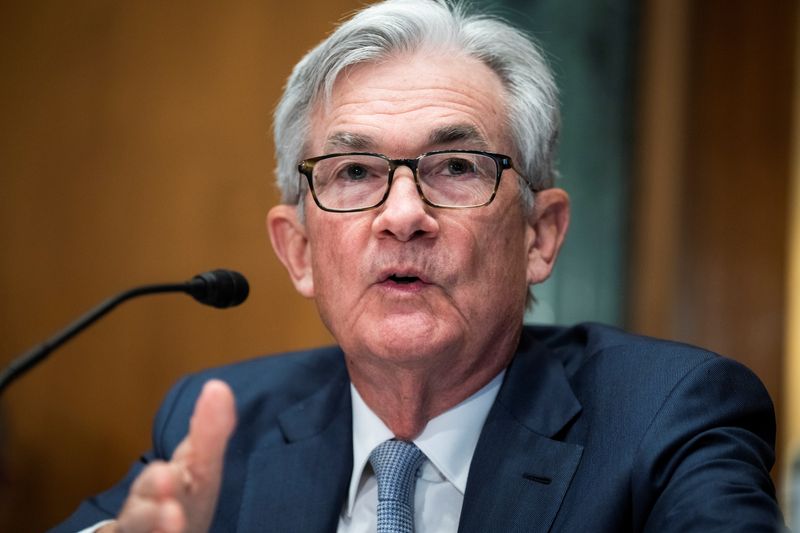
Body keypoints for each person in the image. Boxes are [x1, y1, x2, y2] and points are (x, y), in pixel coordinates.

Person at [53, 0, 785, 531]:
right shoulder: (220, 426)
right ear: (299, 251)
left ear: (540, 235)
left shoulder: (668, 417)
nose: (402, 214)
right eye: (354, 171)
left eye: (457, 165)